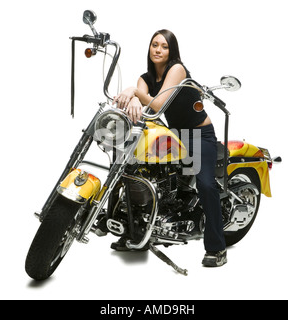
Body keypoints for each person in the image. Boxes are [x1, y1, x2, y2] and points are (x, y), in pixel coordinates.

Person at [112, 29, 227, 267]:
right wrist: (133, 97)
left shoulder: (177, 69)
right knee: (132, 169)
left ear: (171, 51)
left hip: (197, 134)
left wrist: (134, 93)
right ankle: (135, 233)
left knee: (205, 184)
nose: (158, 50)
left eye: (164, 46)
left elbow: (158, 103)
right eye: (155, 45)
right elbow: (142, 103)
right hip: (173, 134)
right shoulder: (145, 77)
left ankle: (217, 248)